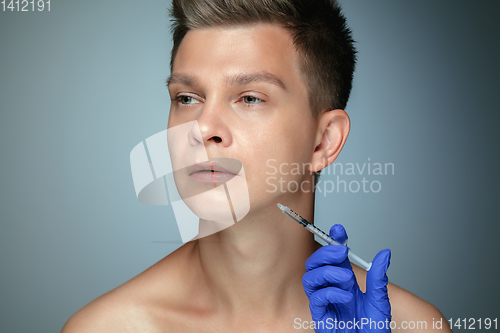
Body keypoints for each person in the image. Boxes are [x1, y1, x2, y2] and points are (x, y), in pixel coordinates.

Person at [62, 0, 451, 331]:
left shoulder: (412, 325)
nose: (203, 128)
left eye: (249, 98)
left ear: (324, 140)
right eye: (186, 98)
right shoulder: (108, 326)